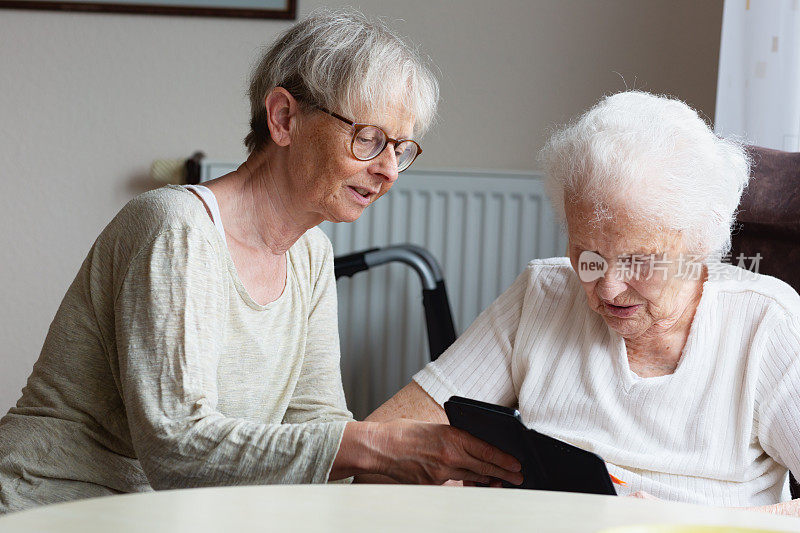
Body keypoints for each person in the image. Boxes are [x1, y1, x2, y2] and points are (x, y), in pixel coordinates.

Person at [0, 9, 521, 514]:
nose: (389, 172)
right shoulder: (175, 227)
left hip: (168, 514)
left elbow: (315, 427)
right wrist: (385, 446)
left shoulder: (311, 254)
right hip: (52, 504)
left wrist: (433, 475)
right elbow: (176, 448)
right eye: (369, 139)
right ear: (284, 118)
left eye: (401, 149)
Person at [363, 91, 800, 516]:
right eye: (588, 257)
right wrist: (448, 484)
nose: (607, 289)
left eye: (637, 261)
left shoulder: (766, 324)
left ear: (701, 242)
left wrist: (690, 522)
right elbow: (377, 446)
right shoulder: (543, 293)